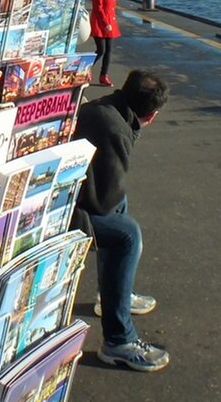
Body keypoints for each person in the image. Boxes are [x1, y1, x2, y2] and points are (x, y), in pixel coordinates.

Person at [72, 69, 170, 372]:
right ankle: (118, 340)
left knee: (121, 209)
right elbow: (103, 203)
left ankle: (115, 294)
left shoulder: (104, 108)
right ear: (151, 115)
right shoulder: (117, 131)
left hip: (70, 196)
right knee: (127, 235)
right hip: (67, 212)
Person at [88, 0, 121, 87]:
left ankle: (104, 75)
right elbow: (98, 7)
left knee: (108, 50)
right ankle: (85, 68)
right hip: (100, 21)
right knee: (101, 50)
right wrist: (105, 23)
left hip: (109, 20)